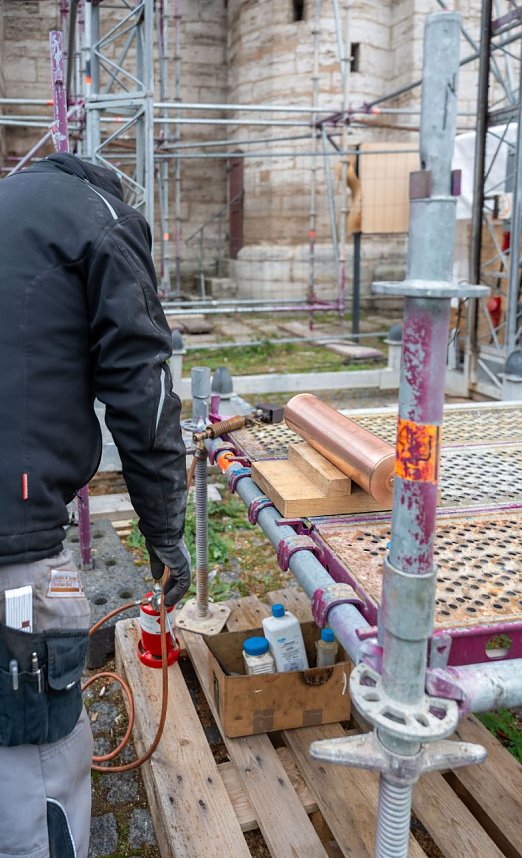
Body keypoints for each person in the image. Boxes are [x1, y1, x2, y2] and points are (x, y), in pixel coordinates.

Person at [0, 153, 191, 858]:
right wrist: (166, 538)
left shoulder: (11, 213)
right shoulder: (100, 219)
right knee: (37, 780)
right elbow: (143, 396)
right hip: (13, 555)